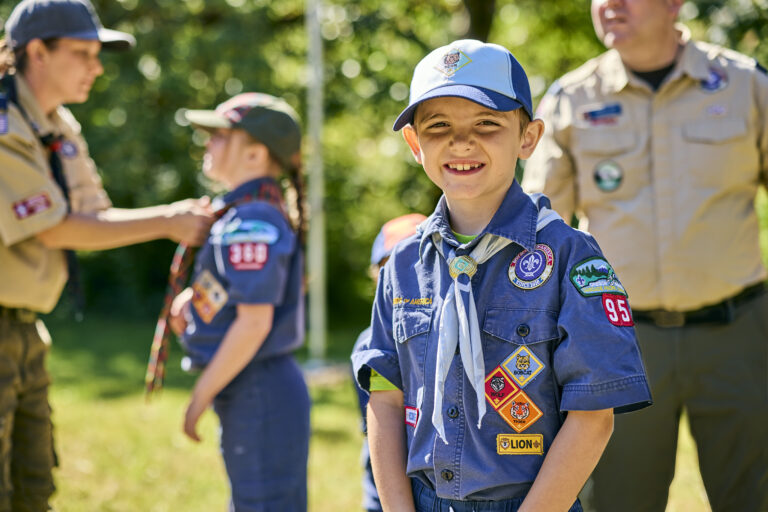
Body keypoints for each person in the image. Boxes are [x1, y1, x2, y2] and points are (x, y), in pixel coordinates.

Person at [351, 39, 652, 512]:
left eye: (487, 124)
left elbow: (594, 415)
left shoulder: (570, 256)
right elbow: (385, 399)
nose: (461, 142)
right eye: (438, 126)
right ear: (414, 144)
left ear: (528, 137)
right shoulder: (403, 266)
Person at [521, 0, 768, 510]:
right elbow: (536, 233)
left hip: (737, 335)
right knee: (618, 500)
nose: (608, 4)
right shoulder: (570, 99)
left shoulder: (746, 85)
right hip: (617, 343)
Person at [0, 0, 213, 510]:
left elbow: (95, 214)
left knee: (34, 482)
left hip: (26, 328)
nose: (96, 67)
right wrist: (168, 220)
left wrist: (171, 218)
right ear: (38, 52)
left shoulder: (58, 126)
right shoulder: (4, 125)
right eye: (82, 53)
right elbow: (52, 230)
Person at [167, 92, 310, 512]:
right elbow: (248, 290)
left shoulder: (252, 221)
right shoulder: (246, 213)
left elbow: (254, 323)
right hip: (254, 385)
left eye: (219, 135)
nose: (207, 143)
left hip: (258, 387)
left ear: (254, 154)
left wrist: (200, 396)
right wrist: (197, 297)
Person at [352, 213, 427, 512]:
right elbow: (377, 425)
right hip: (384, 493)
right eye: (391, 267)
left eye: (415, 264)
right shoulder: (367, 346)